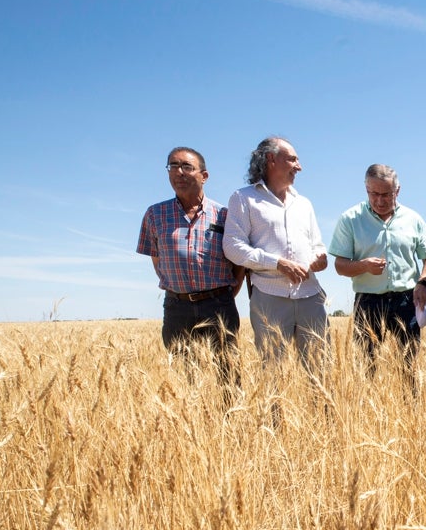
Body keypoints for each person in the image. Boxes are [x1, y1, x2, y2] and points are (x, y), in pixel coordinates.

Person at [136, 147, 244, 380]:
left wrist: (222, 296)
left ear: (204, 176)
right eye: (173, 166)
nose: (179, 172)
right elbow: (158, 261)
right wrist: (181, 289)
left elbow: (239, 263)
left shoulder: (224, 215)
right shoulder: (155, 214)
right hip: (177, 308)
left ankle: (227, 418)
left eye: (187, 167)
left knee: (228, 377)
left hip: (218, 306)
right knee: (184, 381)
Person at [223, 137, 329, 368]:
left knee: (321, 370)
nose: (299, 167)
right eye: (292, 159)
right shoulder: (243, 198)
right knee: (273, 374)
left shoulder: (304, 203)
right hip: (269, 296)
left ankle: (321, 407)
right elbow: (232, 246)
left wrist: (318, 259)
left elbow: (317, 245)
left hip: (310, 295)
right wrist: (278, 263)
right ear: (271, 159)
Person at [330, 164, 426, 370]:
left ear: (398, 190)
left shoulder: (413, 219)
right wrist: (364, 266)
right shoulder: (350, 219)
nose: (379, 200)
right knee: (365, 367)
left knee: (409, 368)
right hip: (367, 302)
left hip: (406, 300)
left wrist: (423, 283)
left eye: (386, 194)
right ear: (366, 189)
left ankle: (410, 403)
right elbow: (340, 266)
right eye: (373, 193)